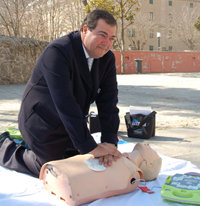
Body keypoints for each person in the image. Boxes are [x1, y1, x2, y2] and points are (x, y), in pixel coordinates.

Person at [0, 9, 122, 177]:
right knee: (51, 170)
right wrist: (90, 147)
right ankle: (4, 147)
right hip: (41, 121)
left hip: (71, 123)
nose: (107, 43)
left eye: (112, 38)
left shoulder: (107, 59)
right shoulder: (58, 51)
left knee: (82, 165)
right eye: (102, 35)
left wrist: (110, 145)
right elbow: (65, 103)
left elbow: (108, 103)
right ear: (85, 30)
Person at [39, 143, 162, 206]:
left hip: (70, 180)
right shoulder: (123, 163)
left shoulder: (132, 174)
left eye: (151, 150)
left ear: (149, 164)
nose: (148, 145)